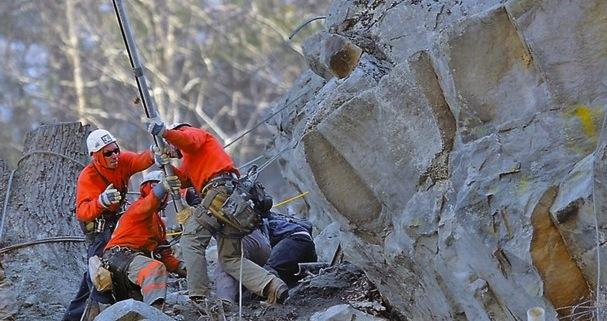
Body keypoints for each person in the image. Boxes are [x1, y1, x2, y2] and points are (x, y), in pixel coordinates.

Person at [146, 121, 288, 304]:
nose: (170, 150)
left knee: (191, 240)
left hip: (218, 193)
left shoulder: (191, 133)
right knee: (230, 258)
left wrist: (165, 133)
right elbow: (183, 180)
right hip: (229, 197)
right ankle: (273, 286)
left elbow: (188, 140)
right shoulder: (192, 158)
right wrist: (164, 165)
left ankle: (199, 297)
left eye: (170, 146)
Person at [62, 129, 154, 321]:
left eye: (116, 150)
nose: (114, 156)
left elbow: (139, 160)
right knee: (98, 272)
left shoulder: (122, 161)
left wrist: (155, 153)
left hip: (115, 224)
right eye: (108, 153)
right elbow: (83, 211)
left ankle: (114, 306)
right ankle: (93, 312)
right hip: (98, 228)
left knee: (115, 265)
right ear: (95, 156)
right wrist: (101, 201)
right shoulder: (88, 176)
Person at [102, 170, 186, 309]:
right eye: (154, 188)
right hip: (121, 257)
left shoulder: (158, 223)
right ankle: (154, 313)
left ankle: (148, 311)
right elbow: (148, 203)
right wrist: (162, 188)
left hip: (130, 262)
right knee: (155, 268)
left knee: (135, 307)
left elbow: (163, 255)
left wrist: (181, 267)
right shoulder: (139, 206)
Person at [263, 212, 317, 287]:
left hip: (294, 239)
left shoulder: (260, 222)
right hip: (305, 243)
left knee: (266, 273)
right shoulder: (270, 216)